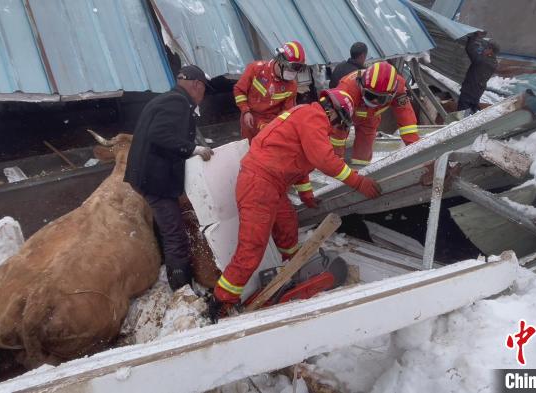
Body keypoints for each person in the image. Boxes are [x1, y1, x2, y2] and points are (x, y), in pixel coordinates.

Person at [210, 88, 382, 314]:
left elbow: (299, 163)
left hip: (271, 183)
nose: (337, 129)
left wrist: (306, 194)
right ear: (332, 112)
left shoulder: (306, 116)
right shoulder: (314, 118)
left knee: (287, 225)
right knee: (252, 248)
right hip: (259, 184)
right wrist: (359, 182)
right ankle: (221, 301)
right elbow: (324, 160)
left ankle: (290, 266)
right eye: (340, 123)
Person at [124, 65, 214, 291]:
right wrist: (192, 149)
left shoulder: (169, 99)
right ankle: (182, 290)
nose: (203, 96)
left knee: (166, 226)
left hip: (150, 176)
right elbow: (159, 134)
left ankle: (167, 266)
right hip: (155, 180)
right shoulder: (177, 103)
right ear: (197, 85)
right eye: (203, 89)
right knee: (176, 235)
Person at [332, 62, 419, 165]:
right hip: (346, 117)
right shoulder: (347, 90)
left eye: (381, 98)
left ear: (392, 94)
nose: (374, 101)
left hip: (370, 119)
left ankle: (361, 168)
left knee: (363, 152)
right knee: (335, 144)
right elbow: (337, 129)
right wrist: (336, 163)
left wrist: (416, 151)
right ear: (361, 85)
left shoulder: (398, 87)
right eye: (370, 95)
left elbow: (407, 120)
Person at [233, 41, 306, 142]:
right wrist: (245, 111)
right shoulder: (256, 69)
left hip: (271, 125)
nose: (293, 74)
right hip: (250, 120)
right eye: (291, 69)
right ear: (280, 61)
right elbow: (239, 90)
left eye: (297, 70)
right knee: (248, 151)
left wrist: (275, 127)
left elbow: (287, 112)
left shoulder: (292, 86)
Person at [457, 31, 500, 114]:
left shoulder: (481, 60)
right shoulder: (494, 63)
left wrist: (474, 37)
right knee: (470, 114)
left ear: (490, 50)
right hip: (476, 94)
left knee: (461, 116)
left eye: (486, 47)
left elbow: (469, 49)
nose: (483, 49)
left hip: (468, 93)